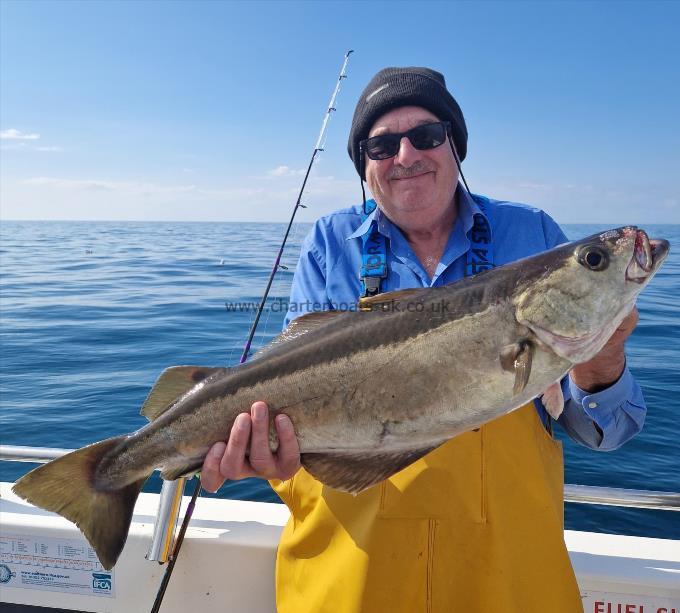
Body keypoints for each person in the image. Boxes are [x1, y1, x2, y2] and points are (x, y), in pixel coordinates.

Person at [201, 67, 647, 612]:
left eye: (427, 135)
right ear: (364, 167)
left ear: (455, 145)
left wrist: (602, 360)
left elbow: (607, 433)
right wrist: (264, 449)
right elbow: (297, 413)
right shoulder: (329, 243)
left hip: (508, 578)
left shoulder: (532, 234)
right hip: (353, 577)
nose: (406, 155)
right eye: (381, 145)